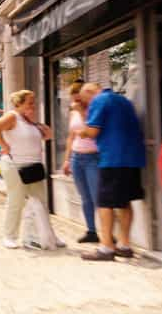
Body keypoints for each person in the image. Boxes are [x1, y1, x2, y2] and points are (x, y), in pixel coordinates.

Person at [77, 82, 146, 261]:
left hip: (113, 158)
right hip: (133, 157)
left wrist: (81, 132)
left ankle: (106, 247)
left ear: (90, 92)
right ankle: (124, 245)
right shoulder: (123, 100)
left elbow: (92, 131)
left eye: (86, 100)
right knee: (124, 202)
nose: (87, 104)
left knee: (104, 203)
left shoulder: (99, 100)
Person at [0, 90, 64, 250]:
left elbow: (47, 136)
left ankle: (48, 235)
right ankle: (10, 236)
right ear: (19, 103)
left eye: (34, 101)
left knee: (42, 203)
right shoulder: (12, 116)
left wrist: (38, 125)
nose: (33, 105)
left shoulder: (29, 121)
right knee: (16, 201)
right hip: (14, 165)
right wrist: (4, 146)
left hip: (33, 166)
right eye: (30, 102)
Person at [62, 80, 100, 243]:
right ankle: (91, 231)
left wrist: (82, 112)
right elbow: (71, 137)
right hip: (77, 157)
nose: (75, 102)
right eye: (73, 99)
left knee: (97, 196)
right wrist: (67, 159)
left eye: (78, 99)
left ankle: (105, 231)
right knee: (85, 197)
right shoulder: (73, 112)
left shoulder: (94, 110)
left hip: (93, 157)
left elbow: (92, 131)